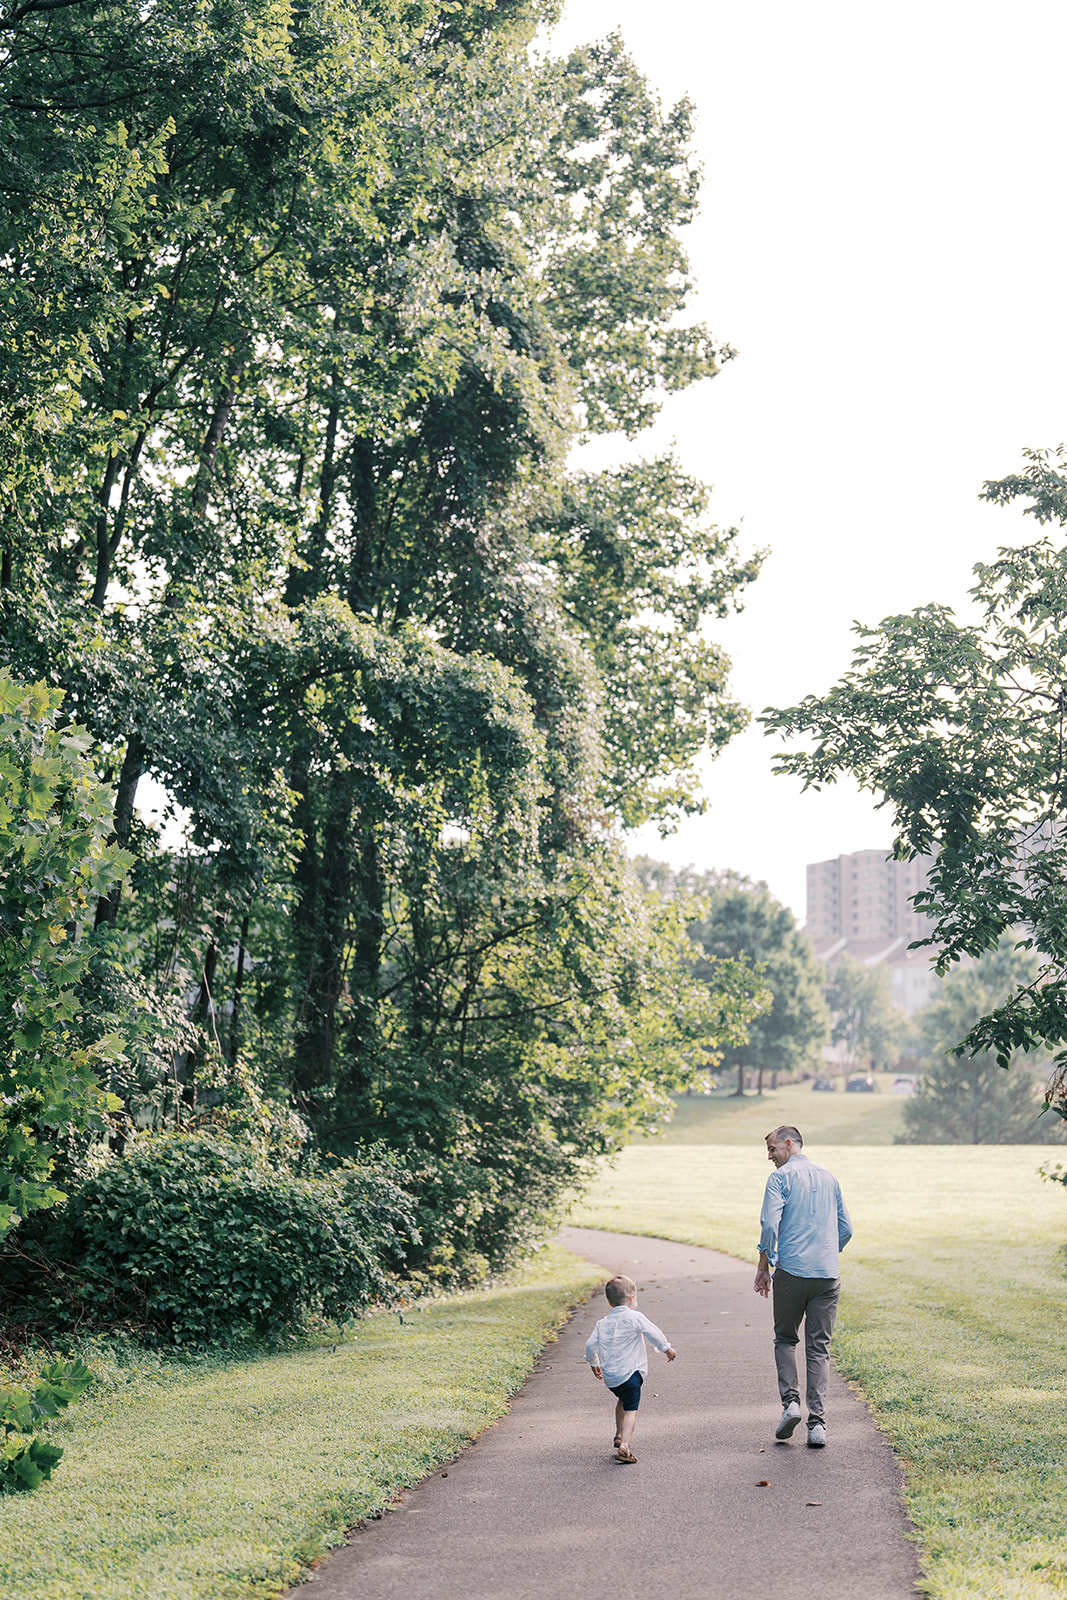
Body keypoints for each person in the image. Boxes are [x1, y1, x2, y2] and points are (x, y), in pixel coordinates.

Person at [753, 1124, 852, 1449]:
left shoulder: (780, 1179)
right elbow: (846, 1229)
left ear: (789, 1143)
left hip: (792, 1272)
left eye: (772, 1149)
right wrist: (824, 1253)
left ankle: (791, 1404)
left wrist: (764, 1265)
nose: (770, 1157)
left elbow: (770, 1224)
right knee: (819, 1348)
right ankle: (818, 1425)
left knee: (785, 1338)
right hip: (827, 1275)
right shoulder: (829, 1177)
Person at [584, 1274, 677, 1463]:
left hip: (612, 1379)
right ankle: (625, 1445)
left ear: (610, 1303)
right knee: (631, 1410)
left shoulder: (602, 1324)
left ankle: (618, 1435)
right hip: (631, 1375)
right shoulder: (635, 1318)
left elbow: (589, 1346)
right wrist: (667, 1349)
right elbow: (654, 1333)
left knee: (622, 1399)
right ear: (632, 1298)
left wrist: (594, 1363)